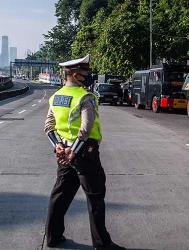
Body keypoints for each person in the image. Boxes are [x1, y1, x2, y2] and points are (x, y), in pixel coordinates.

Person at [44, 54, 126, 250]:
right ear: (74, 74)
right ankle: (102, 244)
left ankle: (53, 237)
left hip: (64, 154)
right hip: (84, 154)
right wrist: (74, 151)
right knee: (95, 197)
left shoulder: (56, 97)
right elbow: (86, 129)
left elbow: (49, 126)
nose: (89, 74)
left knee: (60, 194)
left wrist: (59, 147)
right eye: (86, 71)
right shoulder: (85, 97)